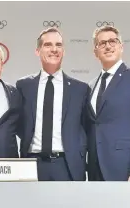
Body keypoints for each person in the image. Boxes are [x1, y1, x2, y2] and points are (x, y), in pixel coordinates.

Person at [16, 28, 90, 181]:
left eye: (59, 45)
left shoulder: (80, 89)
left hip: (67, 165)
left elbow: (86, 127)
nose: (54, 49)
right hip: (31, 163)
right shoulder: (24, 86)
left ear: (64, 51)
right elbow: (19, 124)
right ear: (38, 51)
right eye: (48, 45)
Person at [86, 25, 130, 181]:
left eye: (113, 41)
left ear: (121, 47)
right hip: (96, 172)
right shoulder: (90, 86)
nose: (108, 46)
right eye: (102, 43)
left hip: (127, 172)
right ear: (95, 52)